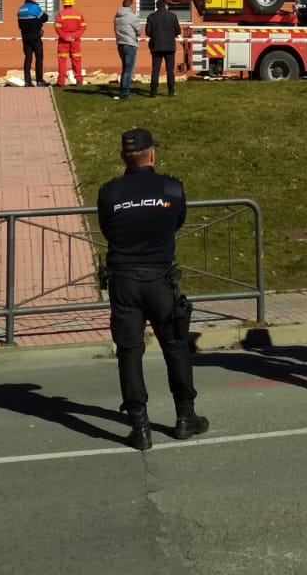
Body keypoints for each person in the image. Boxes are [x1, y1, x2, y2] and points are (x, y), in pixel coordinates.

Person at [95, 128, 207, 451]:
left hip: (124, 281)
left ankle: (140, 427)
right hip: (161, 279)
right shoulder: (171, 189)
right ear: (152, 155)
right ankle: (185, 417)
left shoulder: (109, 194)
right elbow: (178, 222)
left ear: (122, 157)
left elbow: (107, 228)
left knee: (130, 352)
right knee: (175, 345)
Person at [144, 0, 180, 97]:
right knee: (170, 70)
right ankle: (171, 91)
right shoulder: (173, 16)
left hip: (156, 46)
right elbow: (178, 31)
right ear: (165, 5)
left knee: (155, 70)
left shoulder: (151, 17)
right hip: (170, 47)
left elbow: (148, 32)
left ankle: (153, 91)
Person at [16, 0, 49, 88]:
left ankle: (27, 81)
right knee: (39, 57)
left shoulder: (20, 9)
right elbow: (45, 18)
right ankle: (39, 81)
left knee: (28, 58)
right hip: (35, 35)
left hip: (24, 36)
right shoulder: (35, 8)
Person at [54, 0, 87, 87]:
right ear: (72, 3)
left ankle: (61, 82)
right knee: (76, 60)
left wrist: (65, 37)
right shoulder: (78, 14)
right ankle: (79, 80)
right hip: (75, 41)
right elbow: (83, 27)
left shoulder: (60, 14)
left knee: (62, 61)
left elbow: (57, 28)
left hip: (63, 42)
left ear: (64, 3)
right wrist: (74, 36)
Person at [113, 0, 140, 100]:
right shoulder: (132, 16)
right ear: (131, 5)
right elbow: (138, 31)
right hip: (130, 44)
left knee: (125, 68)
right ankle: (125, 92)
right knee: (128, 69)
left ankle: (124, 90)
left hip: (120, 43)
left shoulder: (117, 16)